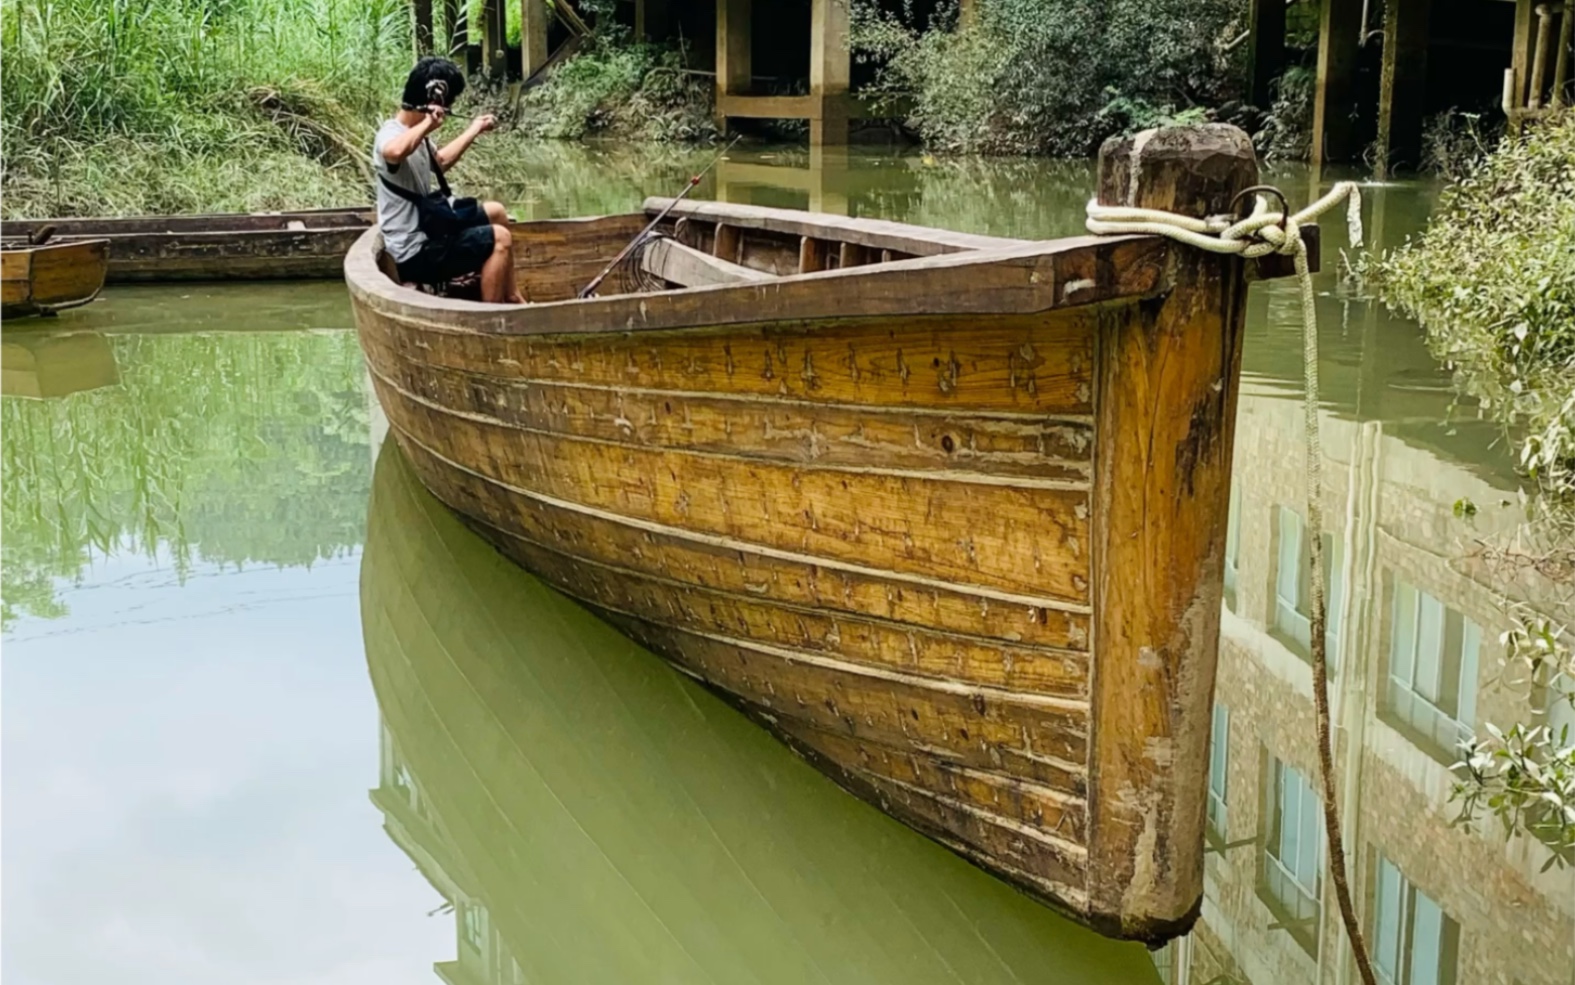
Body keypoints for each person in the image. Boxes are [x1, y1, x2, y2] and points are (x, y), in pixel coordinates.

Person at [373, 57, 524, 303]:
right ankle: (492, 318)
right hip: (412, 251)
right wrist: (428, 124)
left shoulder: (416, 135)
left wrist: (475, 128)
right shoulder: (391, 134)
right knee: (500, 238)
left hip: (428, 230)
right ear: (434, 100)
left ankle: (512, 295)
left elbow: (440, 161)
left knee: (496, 212)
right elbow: (393, 152)